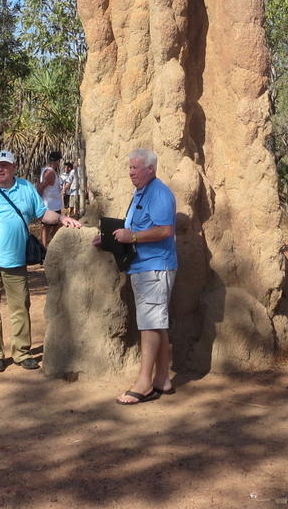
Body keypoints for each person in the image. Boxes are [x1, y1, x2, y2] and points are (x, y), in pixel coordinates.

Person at [0, 150, 81, 372]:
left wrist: (61, 218)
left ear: (14, 167)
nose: (1, 169)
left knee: (20, 307)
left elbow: (42, 213)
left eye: (5, 165)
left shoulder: (26, 188)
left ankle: (22, 353)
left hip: (16, 262)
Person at [103, 148, 177, 405]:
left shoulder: (159, 193)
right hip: (143, 266)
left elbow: (165, 230)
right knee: (157, 323)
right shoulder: (140, 193)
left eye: (136, 168)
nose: (131, 172)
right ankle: (162, 379)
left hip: (155, 268)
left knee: (148, 325)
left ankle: (144, 383)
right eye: (130, 167)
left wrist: (132, 237)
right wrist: (107, 240)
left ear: (150, 169)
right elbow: (133, 227)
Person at [36, 151, 63, 245]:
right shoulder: (49, 173)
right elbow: (40, 187)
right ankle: (46, 246)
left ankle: (47, 245)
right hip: (51, 206)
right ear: (57, 161)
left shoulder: (46, 170)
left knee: (48, 227)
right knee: (49, 227)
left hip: (52, 204)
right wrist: (38, 202)